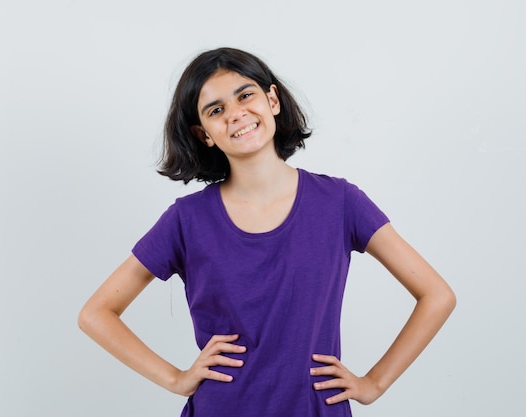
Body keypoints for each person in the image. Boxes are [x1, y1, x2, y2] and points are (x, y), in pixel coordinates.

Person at [78, 47, 456, 417]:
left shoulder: (340, 202)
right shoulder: (186, 220)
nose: (236, 114)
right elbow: (96, 313)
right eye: (216, 110)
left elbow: (436, 295)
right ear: (204, 133)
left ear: (272, 99)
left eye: (245, 95)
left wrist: (374, 384)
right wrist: (176, 378)